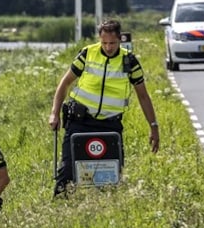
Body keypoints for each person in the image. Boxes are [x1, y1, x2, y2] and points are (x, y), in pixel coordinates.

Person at [48, 19, 160, 197]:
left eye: (112, 43)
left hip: (110, 125)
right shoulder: (87, 54)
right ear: (99, 39)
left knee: (112, 176)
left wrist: (153, 126)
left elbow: (143, 96)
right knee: (67, 172)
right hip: (80, 121)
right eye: (104, 42)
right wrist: (54, 114)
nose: (108, 47)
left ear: (120, 40)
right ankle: (60, 206)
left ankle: (106, 210)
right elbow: (65, 83)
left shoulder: (129, 62)